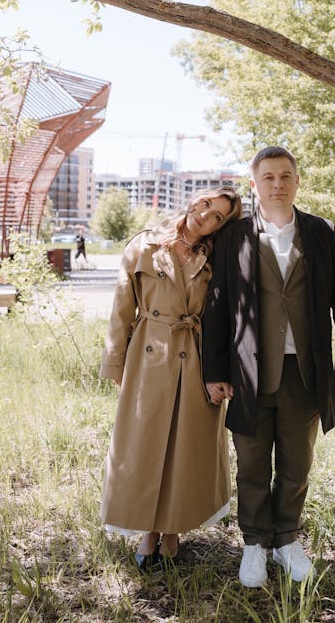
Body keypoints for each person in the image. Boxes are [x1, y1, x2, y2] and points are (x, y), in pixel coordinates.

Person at [202, 146, 335, 587]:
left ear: (297, 181)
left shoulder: (320, 232)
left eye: (285, 175)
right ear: (255, 184)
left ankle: (287, 540)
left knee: (296, 462)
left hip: (306, 372)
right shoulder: (234, 237)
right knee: (251, 463)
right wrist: (214, 370)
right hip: (248, 372)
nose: (277, 184)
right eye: (268, 177)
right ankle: (254, 544)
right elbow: (216, 307)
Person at [100, 186, 242, 570]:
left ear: (220, 227)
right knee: (145, 446)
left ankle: (174, 530)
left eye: (218, 216)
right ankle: (148, 530)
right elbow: (121, 309)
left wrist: (222, 371)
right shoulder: (144, 245)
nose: (206, 215)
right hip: (149, 356)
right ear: (196, 199)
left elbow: (227, 315)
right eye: (207, 204)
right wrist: (115, 362)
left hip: (197, 359)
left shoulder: (217, 257)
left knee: (186, 448)